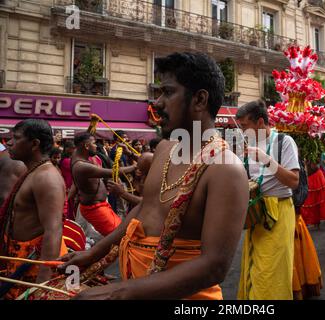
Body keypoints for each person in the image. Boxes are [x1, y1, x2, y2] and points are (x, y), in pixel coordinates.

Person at [59, 52, 248, 300]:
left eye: (168, 93)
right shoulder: (163, 150)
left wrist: (118, 293)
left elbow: (214, 267)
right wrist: (93, 254)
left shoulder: (226, 169)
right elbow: (143, 211)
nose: (157, 103)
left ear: (200, 100)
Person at [236, 100, 300, 300]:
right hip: (256, 212)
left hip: (279, 211)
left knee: (271, 271)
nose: (241, 131)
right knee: (254, 266)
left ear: (260, 122)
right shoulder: (248, 145)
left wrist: (267, 160)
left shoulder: (284, 142)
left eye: (244, 126)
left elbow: (294, 181)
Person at [0, 119, 68, 299]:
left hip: (32, 265)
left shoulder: (46, 178)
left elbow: (53, 230)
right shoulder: (33, 171)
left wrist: (41, 286)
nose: (9, 143)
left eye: (16, 138)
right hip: (18, 259)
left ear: (34, 144)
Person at [71, 132, 135, 237]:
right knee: (118, 236)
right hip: (95, 208)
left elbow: (79, 144)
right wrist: (135, 167)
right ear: (86, 146)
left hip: (101, 206)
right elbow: (113, 172)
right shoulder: (81, 166)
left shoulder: (79, 155)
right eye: (94, 143)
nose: (97, 146)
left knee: (120, 232)